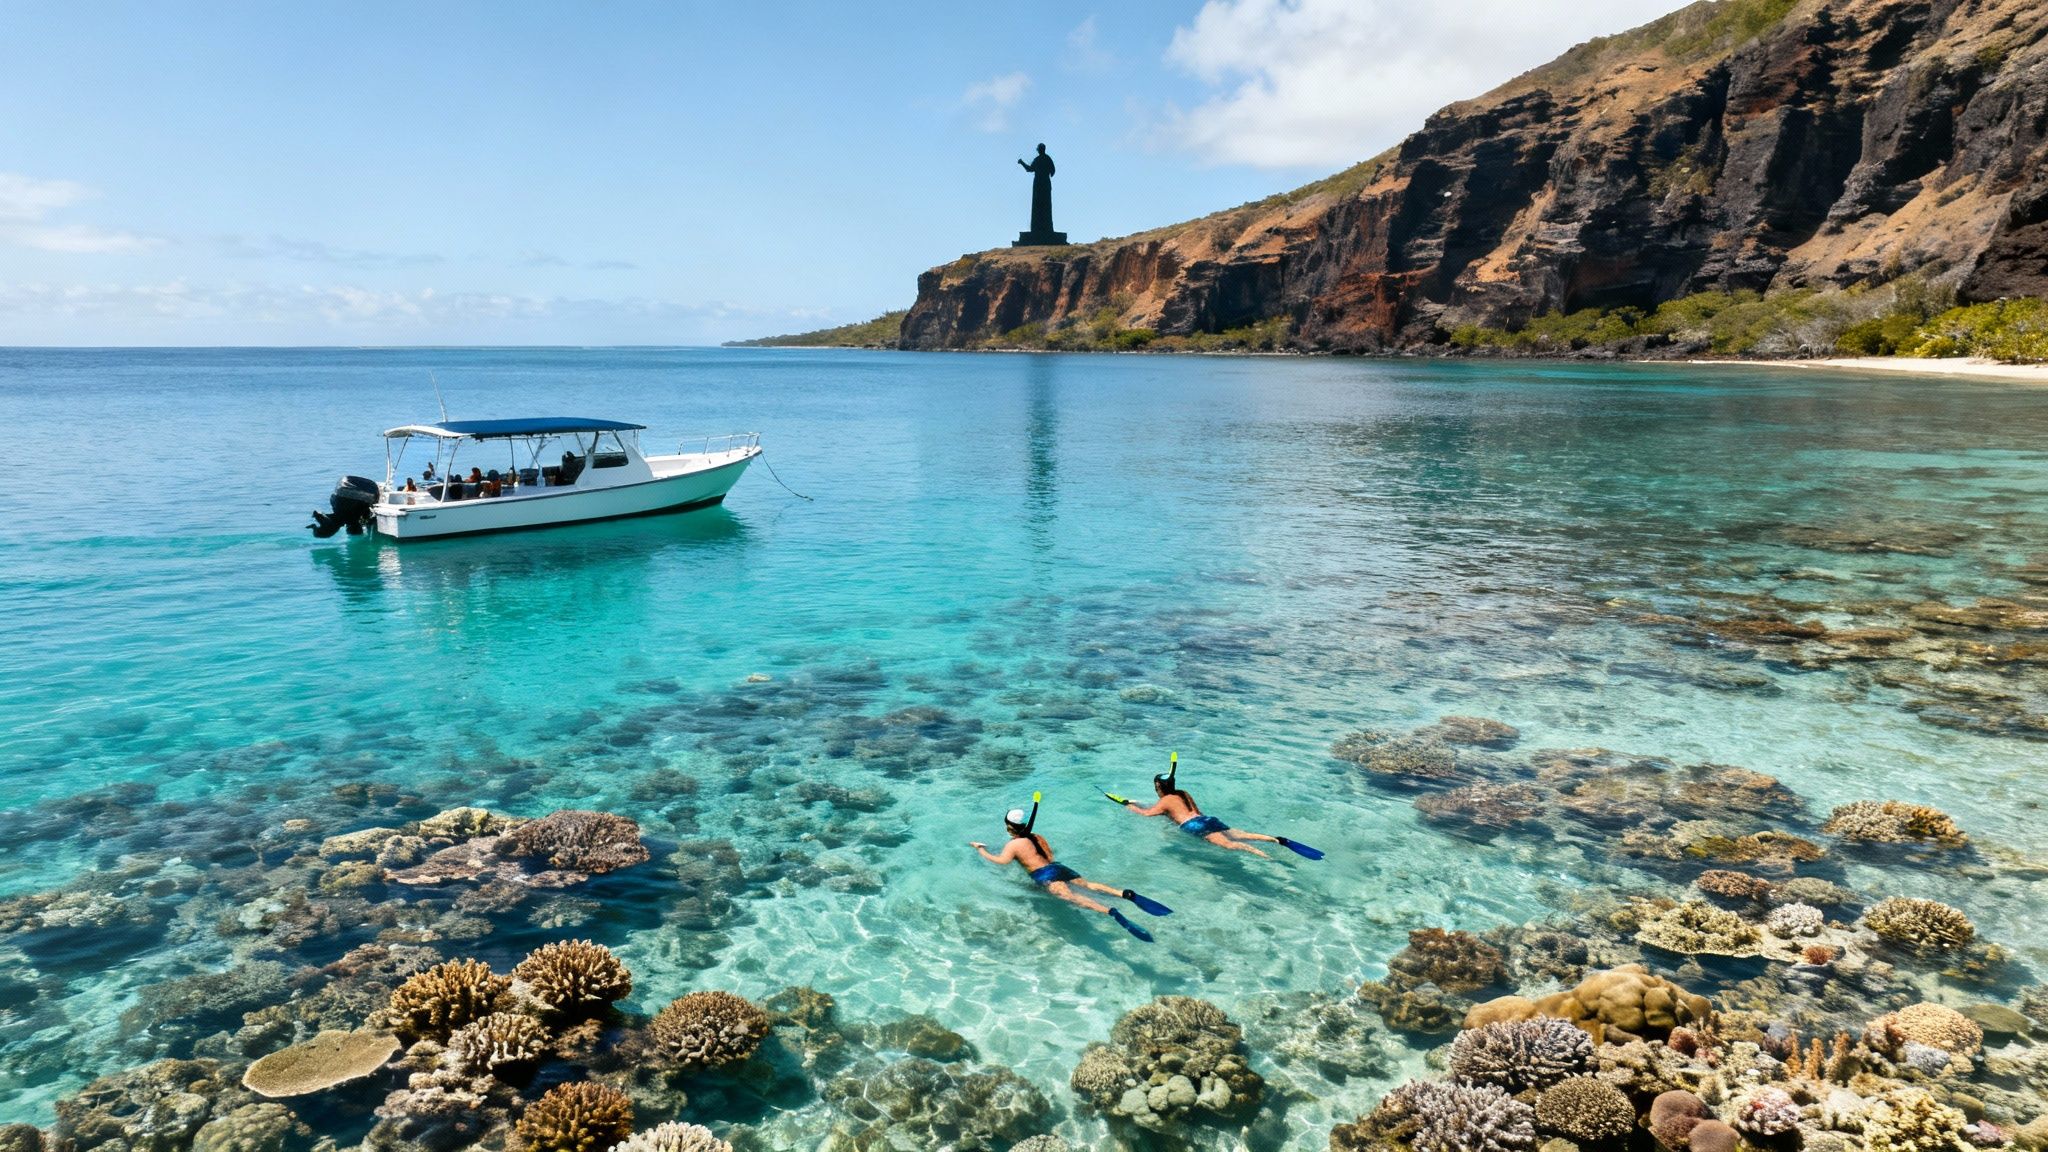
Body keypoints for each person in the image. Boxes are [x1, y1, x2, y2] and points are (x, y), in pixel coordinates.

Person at [971, 804, 1168, 941]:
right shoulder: (1037, 836)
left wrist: (981, 849)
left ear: (1008, 827)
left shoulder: (1013, 845)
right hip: (1059, 868)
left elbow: (1001, 861)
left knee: (1071, 897)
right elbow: (1049, 855)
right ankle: (1123, 894)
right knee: (1089, 885)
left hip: (1044, 876)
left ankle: (1110, 911)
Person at [1117, 759, 1304, 860]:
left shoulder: (1165, 801)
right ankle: (1275, 840)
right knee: (1240, 835)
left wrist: (1129, 805)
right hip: (1207, 819)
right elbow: (1190, 811)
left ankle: (1264, 856)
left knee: (1229, 845)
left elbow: (1147, 814)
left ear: (1159, 787)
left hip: (1194, 826)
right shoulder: (1183, 793)